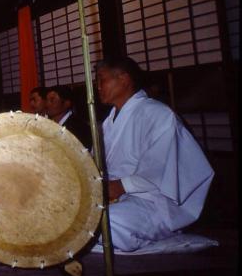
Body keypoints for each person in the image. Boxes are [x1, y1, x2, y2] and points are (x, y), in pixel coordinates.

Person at [95, 56, 214, 252]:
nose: (98, 86)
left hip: (151, 202)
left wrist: (119, 186)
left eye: (102, 79)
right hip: (113, 198)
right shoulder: (108, 122)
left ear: (124, 79)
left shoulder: (158, 114)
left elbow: (161, 168)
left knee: (102, 224)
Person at [45, 85, 92, 150]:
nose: (47, 104)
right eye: (46, 100)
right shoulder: (48, 125)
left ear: (66, 103)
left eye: (52, 100)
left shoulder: (79, 127)